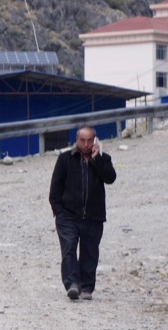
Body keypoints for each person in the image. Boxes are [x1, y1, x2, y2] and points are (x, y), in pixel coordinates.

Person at [48, 125, 117, 301]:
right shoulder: (65, 159)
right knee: (69, 248)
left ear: (95, 141)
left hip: (93, 216)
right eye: (82, 140)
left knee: (90, 252)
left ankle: (86, 287)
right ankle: (72, 284)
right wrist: (58, 211)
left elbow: (110, 178)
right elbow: (55, 188)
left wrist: (97, 159)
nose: (86, 144)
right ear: (77, 140)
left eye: (89, 140)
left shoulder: (103, 159)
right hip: (68, 215)